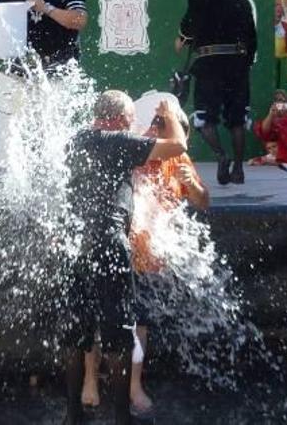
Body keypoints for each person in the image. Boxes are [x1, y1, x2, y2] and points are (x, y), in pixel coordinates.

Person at [63, 91, 188, 425]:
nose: (134, 124)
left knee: (77, 332)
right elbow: (178, 147)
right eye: (131, 119)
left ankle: (72, 415)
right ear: (119, 119)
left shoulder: (77, 139)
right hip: (109, 243)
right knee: (119, 335)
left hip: (75, 243)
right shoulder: (117, 140)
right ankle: (122, 418)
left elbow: (138, 147)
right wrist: (170, 114)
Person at [176, 0, 257, 185]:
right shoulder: (242, 2)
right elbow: (252, 38)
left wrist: (181, 40)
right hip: (238, 65)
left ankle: (221, 155)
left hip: (209, 64)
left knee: (205, 118)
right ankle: (239, 170)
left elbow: (187, 29)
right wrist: (244, 63)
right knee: (237, 120)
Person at [274, 3, 287, 92]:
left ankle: (282, 105)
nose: (279, 14)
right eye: (277, 11)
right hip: (270, 61)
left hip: (284, 60)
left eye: (280, 12)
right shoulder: (265, 25)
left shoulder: (286, 26)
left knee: (283, 85)